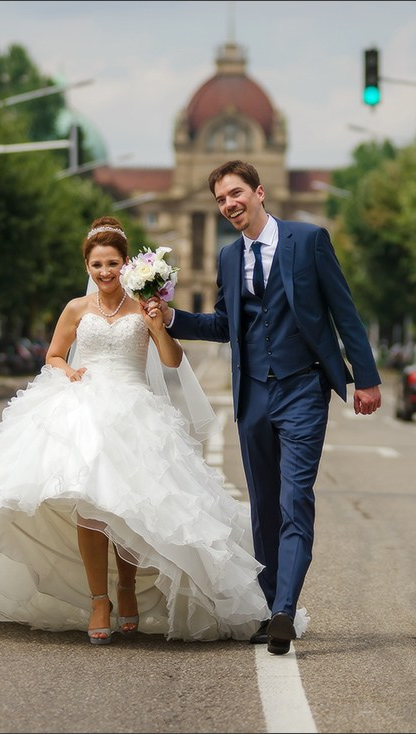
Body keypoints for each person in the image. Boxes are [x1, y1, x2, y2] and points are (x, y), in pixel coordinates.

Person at [0, 216, 292, 645]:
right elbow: (53, 355)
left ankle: (126, 588)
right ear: (87, 267)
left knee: (129, 508)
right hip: (84, 409)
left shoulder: (143, 306)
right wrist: (68, 371)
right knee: (89, 502)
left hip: (133, 412)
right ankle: (98, 600)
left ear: (126, 265)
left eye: (112, 263)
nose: (105, 271)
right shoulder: (76, 308)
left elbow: (171, 360)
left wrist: (157, 324)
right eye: (97, 264)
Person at [151, 160, 382, 655]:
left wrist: (366, 378)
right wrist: (171, 317)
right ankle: (268, 603)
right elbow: (223, 325)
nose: (229, 205)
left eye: (235, 193)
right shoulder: (228, 257)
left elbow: (344, 311)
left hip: (303, 388)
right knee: (263, 506)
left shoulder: (309, 240)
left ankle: (283, 611)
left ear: (259, 193)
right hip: (254, 393)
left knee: (295, 499)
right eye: (220, 199)